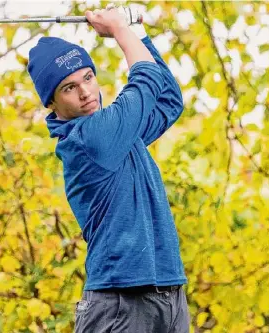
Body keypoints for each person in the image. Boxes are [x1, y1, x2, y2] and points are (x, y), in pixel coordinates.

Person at [27, 6, 189, 333]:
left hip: (169, 293)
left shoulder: (120, 133)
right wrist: (119, 30)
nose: (86, 92)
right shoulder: (89, 138)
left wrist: (136, 31)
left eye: (88, 77)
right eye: (69, 88)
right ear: (52, 104)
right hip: (120, 302)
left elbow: (168, 100)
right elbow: (147, 79)